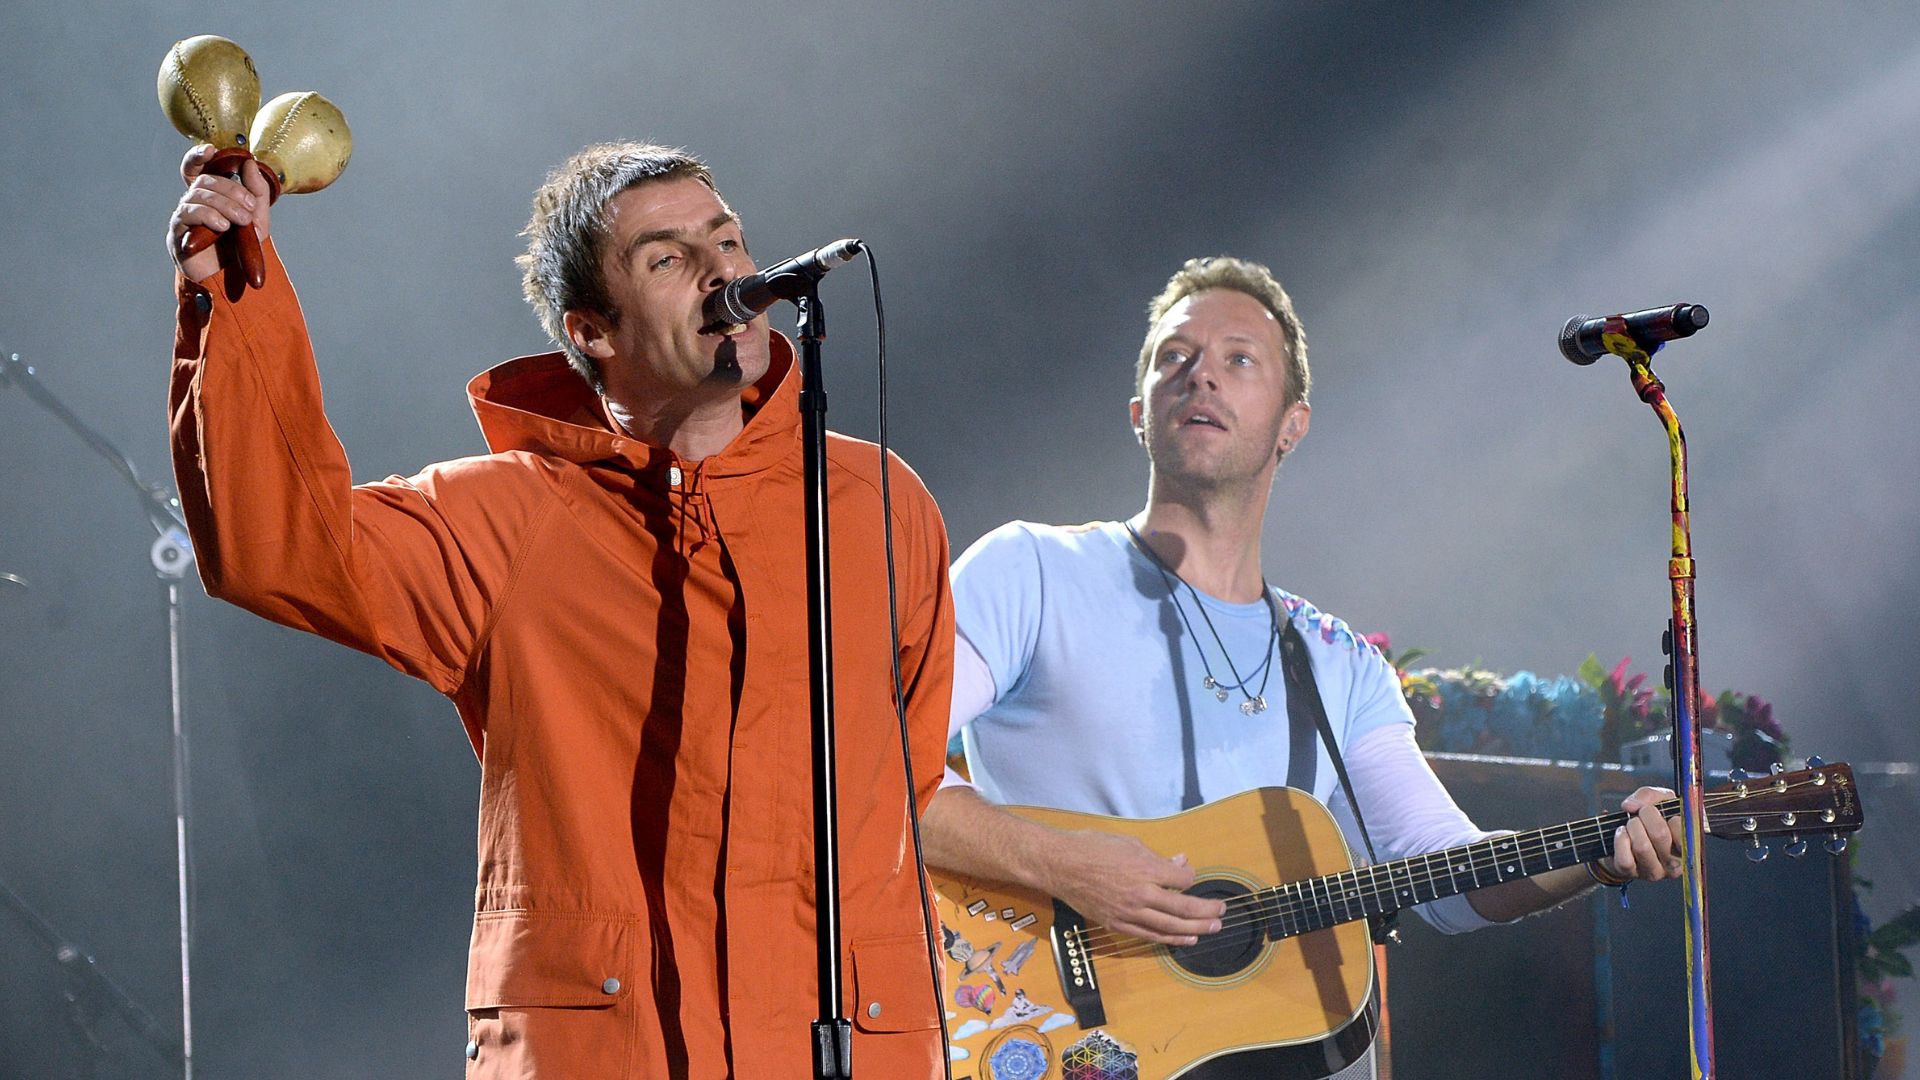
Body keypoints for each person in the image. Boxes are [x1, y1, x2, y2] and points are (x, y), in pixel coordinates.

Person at [167, 141, 953, 1078]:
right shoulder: (506, 518)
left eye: (729, 241)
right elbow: (274, 545)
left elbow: (902, 784)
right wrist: (232, 289)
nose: (725, 274)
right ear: (593, 332)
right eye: (669, 258)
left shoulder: (874, 501)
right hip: (618, 1052)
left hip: (848, 1049)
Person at [920, 256, 1682, 1078]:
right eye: (1174, 357)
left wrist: (1603, 850)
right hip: (1043, 1031)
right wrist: (1066, 865)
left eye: (1239, 358)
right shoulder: (1032, 570)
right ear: (1141, 412)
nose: (1201, 372)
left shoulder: (1339, 665)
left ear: (1293, 423)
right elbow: (873, 769)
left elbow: (1449, 878)